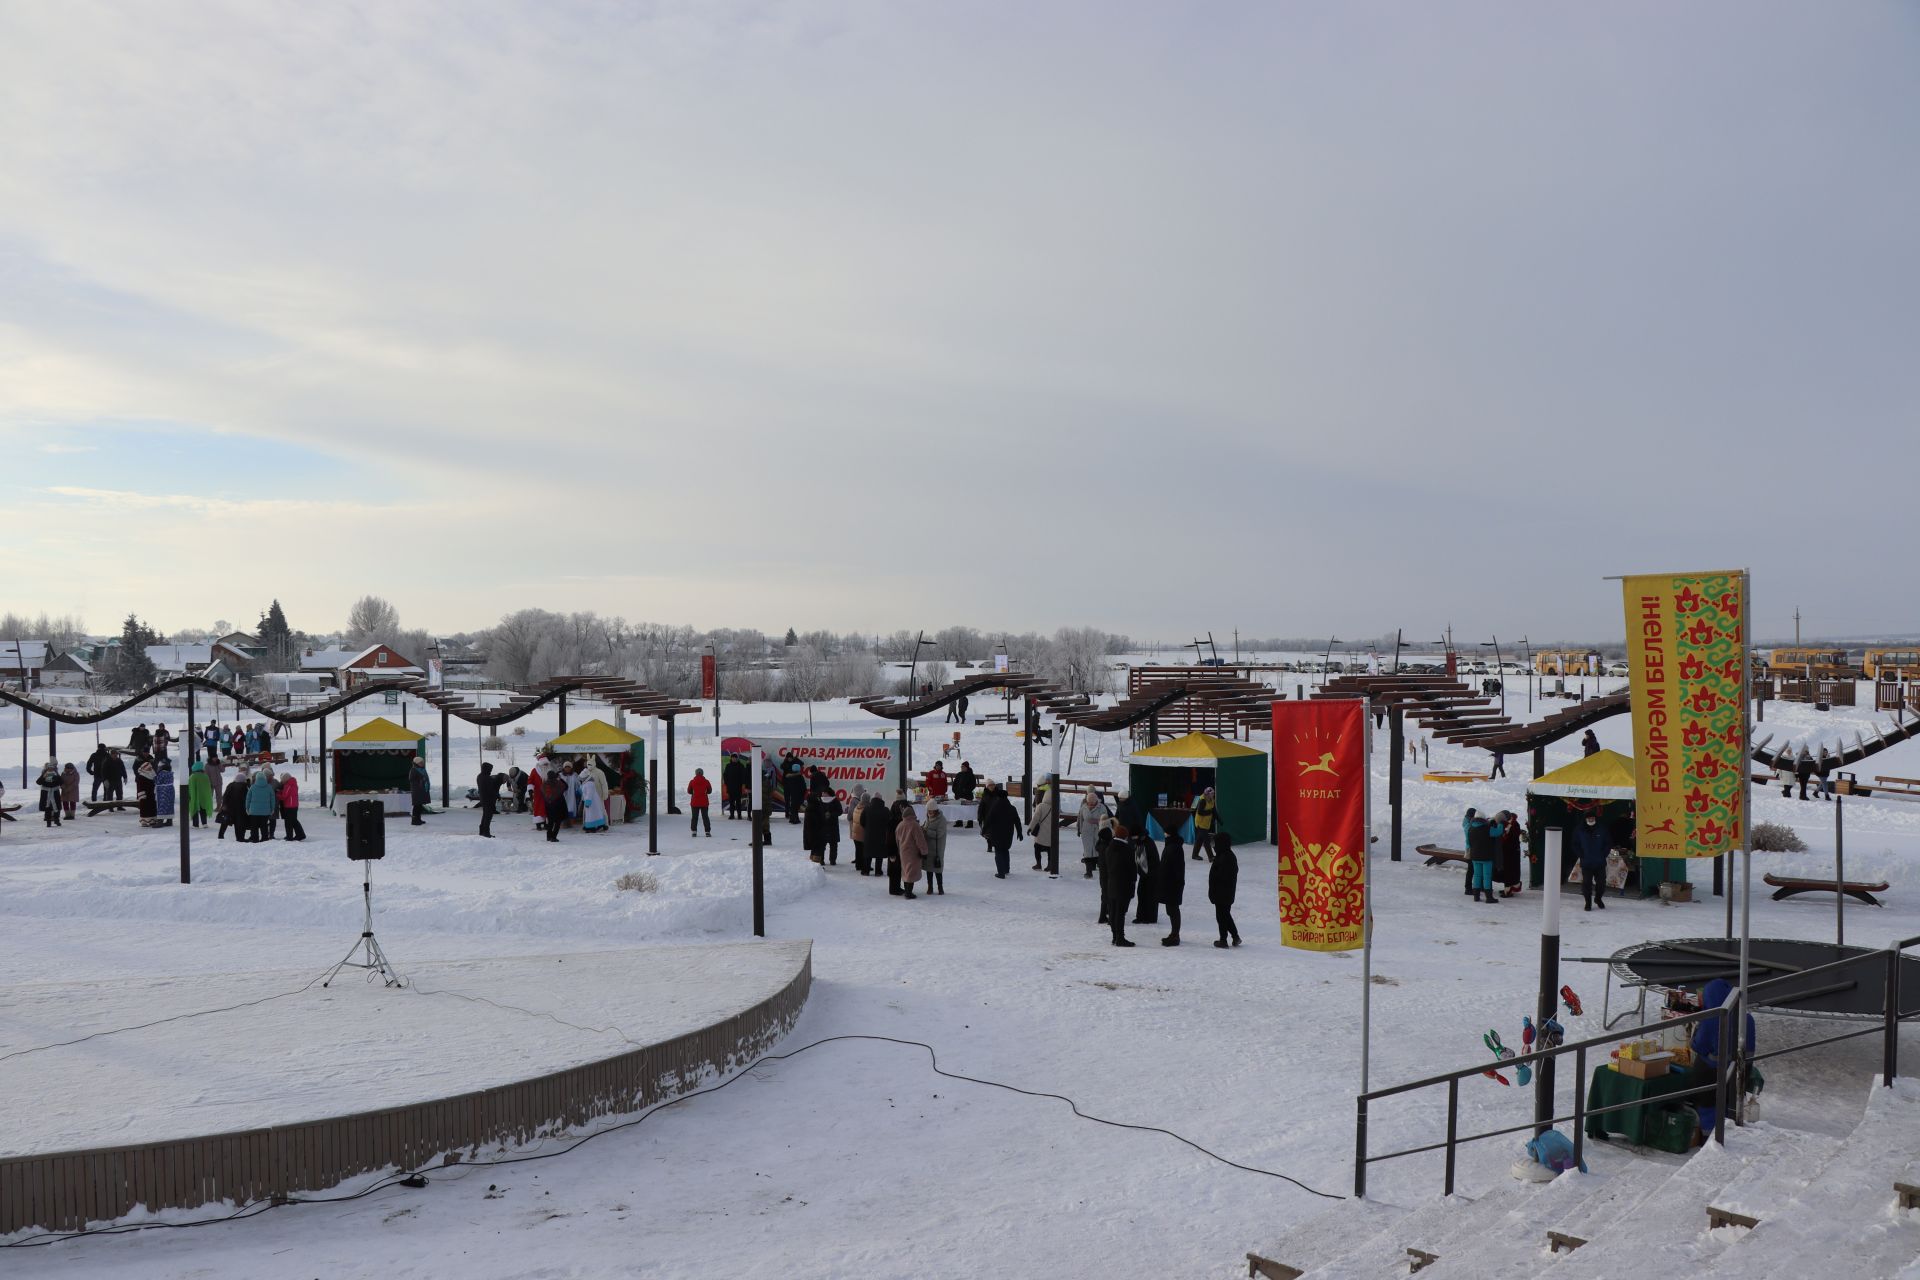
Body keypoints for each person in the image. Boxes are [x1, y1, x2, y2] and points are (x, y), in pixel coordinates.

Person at [1690, 979, 1757, 1136]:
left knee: (1706, 1099)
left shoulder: (1711, 1019)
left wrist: (1696, 1028)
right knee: (1729, 1102)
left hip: (1712, 1075)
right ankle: (1730, 1127)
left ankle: (1709, 1135)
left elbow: (1697, 1046)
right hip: (1742, 1072)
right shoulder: (1747, 1018)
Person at [1099, 826, 1137, 946]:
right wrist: (1133, 880)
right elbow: (1131, 869)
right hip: (1124, 885)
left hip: (1112, 883)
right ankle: (1120, 938)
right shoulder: (1127, 849)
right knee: (1120, 913)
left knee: (1114, 911)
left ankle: (1115, 936)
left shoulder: (1109, 847)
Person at [981, 783, 1023, 878]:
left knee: (999, 851)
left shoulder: (995, 808)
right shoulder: (1012, 808)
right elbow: (1017, 821)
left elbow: (988, 820)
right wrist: (1019, 832)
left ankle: (1001, 873)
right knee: (1005, 850)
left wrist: (984, 831)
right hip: (1008, 833)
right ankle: (1006, 869)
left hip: (996, 833)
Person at [1209, 832, 1242, 947]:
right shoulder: (1224, 855)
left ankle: (1223, 939)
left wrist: (1214, 887)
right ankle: (1235, 936)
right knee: (1225, 915)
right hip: (1224, 893)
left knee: (1222, 916)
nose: (1213, 846)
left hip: (1222, 893)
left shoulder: (1226, 857)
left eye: (1215, 843)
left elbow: (1222, 876)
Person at [1573, 813, 1610, 910]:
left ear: (1595, 818)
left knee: (1601, 883)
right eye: (1589, 818)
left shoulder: (1602, 829)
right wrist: (1581, 855)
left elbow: (1608, 843)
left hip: (1600, 862)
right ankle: (1588, 902)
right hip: (1587, 862)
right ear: (1585, 819)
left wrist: (1603, 855)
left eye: (1592, 817)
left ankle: (1598, 899)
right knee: (1586, 884)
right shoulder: (1579, 829)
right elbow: (1575, 844)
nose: (1591, 819)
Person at [1158, 830, 1186, 945]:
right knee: (1171, 909)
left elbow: (1174, 867)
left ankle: (1175, 935)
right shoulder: (1172, 845)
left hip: (1173, 883)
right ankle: (1174, 933)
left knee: (1173, 909)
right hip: (1169, 882)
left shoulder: (1174, 847)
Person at [894, 804, 927, 899]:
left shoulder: (900, 825)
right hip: (913, 853)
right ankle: (909, 892)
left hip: (903, 852)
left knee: (905, 871)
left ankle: (906, 890)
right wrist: (924, 852)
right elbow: (920, 840)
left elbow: (897, 839)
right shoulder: (915, 825)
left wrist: (899, 849)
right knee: (911, 872)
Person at [1467, 809, 1498, 904]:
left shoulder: (1470, 828)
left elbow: (1468, 842)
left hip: (1475, 856)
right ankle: (1489, 897)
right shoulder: (1487, 828)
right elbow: (1498, 832)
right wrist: (1500, 823)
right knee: (1487, 876)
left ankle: (1476, 896)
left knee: (1477, 875)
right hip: (1486, 857)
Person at [1077, 788, 1109, 878]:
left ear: (1096, 801)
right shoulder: (1083, 807)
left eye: (1092, 803)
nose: (1090, 804)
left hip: (1098, 831)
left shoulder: (1102, 807)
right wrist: (1079, 830)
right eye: (1089, 802)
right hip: (1086, 831)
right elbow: (1080, 819)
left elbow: (1106, 821)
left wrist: (1098, 822)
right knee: (1087, 851)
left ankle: (1097, 866)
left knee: (1097, 850)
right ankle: (1088, 871)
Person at [860, 792, 892, 879]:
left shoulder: (867, 808)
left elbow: (861, 821)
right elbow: (889, 822)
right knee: (879, 854)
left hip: (869, 835)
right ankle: (878, 871)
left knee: (868, 853)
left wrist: (867, 828)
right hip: (881, 835)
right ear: (881, 800)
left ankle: (866, 870)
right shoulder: (885, 810)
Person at [1132, 834, 1161, 925]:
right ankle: (1140, 916)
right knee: (1141, 893)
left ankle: (1150, 917)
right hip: (1144, 874)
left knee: (1150, 895)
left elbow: (1152, 861)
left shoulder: (1148, 843)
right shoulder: (1139, 843)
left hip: (1152, 874)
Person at [1028, 784, 1057, 875]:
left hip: (1040, 833)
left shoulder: (1040, 806)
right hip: (1050, 834)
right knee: (1050, 850)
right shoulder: (1055, 808)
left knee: (1037, 848)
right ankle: (1049, 865)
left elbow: (1035, 819)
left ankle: (1038, 864)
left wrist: (1030, 828)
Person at [1496, 809, 1524, 898]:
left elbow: (1511, 839)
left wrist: (1504, 837)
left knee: (1509, 871)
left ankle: (1508, 890)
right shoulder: (1509, 824)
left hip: (1511, 852)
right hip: (1509, 852)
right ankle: (1508, 888)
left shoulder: (1514, 825)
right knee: (1509, 871)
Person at [923, 801, 948, 895]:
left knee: (937, 869)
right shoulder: (927, 818)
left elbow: (939, 834)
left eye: (931, 811)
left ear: (935, 810)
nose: (929, 812)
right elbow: (925, 827)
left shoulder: (942, 820)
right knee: (929, 869)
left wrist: (927, 831)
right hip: (929, 848)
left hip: (937, 849)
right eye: (928, 810)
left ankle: (940, 888)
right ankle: (930, 887)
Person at [245, 767, 277, 841]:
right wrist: (272, 809)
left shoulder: (252, 787)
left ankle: (254, 838)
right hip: (265, 812)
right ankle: (264, 838)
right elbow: (272, 799)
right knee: (264, 826)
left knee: (254, 826)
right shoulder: (269, 787)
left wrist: (247, 808)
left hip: (253, 811)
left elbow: (248, 799)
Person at [219, 771, 250, 840]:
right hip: (240, 808)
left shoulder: (230, 785)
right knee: (239, 823)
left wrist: (224, 804)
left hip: (229, 808)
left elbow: (225, 796)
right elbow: (246, 798)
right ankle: (240, 837)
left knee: (225, 822)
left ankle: (220, 835)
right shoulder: (245, 786)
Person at [803, 790, 831, 865]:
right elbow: (819, 821)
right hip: (818, 833)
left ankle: (814, 865)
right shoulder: (815, 808)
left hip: (812, 834)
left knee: (814, 849)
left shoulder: (810, 807)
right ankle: (816, 866)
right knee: (818, 850)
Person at [476, 762, 502, 837]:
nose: (491, 771)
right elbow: (491, 790)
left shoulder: (480, 776)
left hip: (483, 799)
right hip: (489, 800)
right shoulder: (487, 778)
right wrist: (497, 795)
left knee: (485, 815)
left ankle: (482, 831)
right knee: (488, 817)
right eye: (490, 769)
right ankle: (486, 833)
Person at [578, 767, 608, 832]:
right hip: (591, 802)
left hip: (592, 802)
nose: (581, 780)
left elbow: (589, 794)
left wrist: (588, 802)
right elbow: (583, 790)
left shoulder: (589, 784)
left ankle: (591, 827)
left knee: (592, 815)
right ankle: (596, 825)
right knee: (594, 814)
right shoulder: (586, 783)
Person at [277, 771, 305, 841]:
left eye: (282, 780)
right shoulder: (293, 784)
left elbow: (284, 796)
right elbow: (287, 793)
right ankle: (300, 835)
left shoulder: (288, 785)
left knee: (288, 822)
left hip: (289, 806)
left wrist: (276, 794)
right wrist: (280, 792)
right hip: (294, 805)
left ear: (285, 779)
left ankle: (290, 836)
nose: (281, 782)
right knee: (294, 821)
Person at [187, 759, 215, 827]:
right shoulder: (205, 776)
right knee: (203, 810)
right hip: (204, 797)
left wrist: (189, 796)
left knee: (195, 809)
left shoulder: (192, 777)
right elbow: (208, 787)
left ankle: (195, 824)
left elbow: (190, 787)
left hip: (195, 797)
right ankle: (204, 823)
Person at [543, 768, 568, 842]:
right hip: (558, 806)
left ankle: (548, 836)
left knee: (550, 822)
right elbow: (566, 787)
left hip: (548, 805)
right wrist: (560, 779)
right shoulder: (558, 783)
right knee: (557, 822)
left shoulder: (545, 784)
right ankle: (553, 837)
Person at [849, 787, 870, 874]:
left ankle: (858, 864)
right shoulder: (866, 808)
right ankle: (864, 865)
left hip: (855, 831)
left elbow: (850, 816)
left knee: (858, 848)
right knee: (864, 849)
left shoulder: (857, 806)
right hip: (862, 831)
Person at [1192, 787, 1217, 861]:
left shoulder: (1212, 800)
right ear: (1207, 794)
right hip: (1200, 823)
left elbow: (1214, 810)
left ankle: (1194, 855)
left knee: (1199, 839)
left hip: (1205, 823)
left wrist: (1219, 819)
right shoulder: (1202, 800)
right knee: (1206, 840)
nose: (1213, 794)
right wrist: (1209, 812)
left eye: (1213, 793)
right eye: (1212, 793)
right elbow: (1200, 812)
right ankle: (1211, 857)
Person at [722, 754, 749, 820]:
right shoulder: (728, 766)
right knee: (731, 802)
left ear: (737, 759)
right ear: (731, 758)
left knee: (738, 802)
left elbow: (744, 776)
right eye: (733, 758)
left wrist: (743, 784)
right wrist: (727, 783)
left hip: (738, 787)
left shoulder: (741, 766)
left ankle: (739, 815)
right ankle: (732, 815)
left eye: (735, 758)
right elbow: (725, 775)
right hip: (730, 787)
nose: (734, 759)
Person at [36, 761, 62, 827]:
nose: (50, 769)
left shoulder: (56, 774)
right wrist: (43, 777)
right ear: (47, 768)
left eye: (52, 768)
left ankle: (57, 820)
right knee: (48, 807)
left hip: (55, 792)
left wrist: (56, 778)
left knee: (56, 807)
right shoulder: (44, 774)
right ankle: (48, 822)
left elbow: (61, 782)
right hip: (46, 793)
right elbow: (38, 782)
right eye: (49, 768)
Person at [688, 767, 713, 835]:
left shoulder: (692, 781)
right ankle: (707, 831)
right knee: (705, 817)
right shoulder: (706, 781)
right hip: (704, 802)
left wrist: (694, 793)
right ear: (702, 773)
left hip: (694, 802)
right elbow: (710, 791)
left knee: (694, 817)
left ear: (696, 773)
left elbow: (689, 791)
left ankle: (694, 831)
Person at [408, 756, 430, 826]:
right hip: (417, 791)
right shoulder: (413, 770)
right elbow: (412, 780)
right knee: (416, 806)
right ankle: (414, 820)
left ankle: (418, 819)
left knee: (420, 806)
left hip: (422, 790)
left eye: (422, 762)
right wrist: (421, 781)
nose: (422, 763)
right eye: (421, 762)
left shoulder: (422, 769)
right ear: (417, 763)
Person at [153, 758, 175, 827]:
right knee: (169, 805)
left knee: (162, 806)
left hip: (163, 791)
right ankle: (169, 821)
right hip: (171, 790)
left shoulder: (162, 773)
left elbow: (157, 781)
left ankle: (160, 822)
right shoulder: (170, 773)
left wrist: (154, 777)